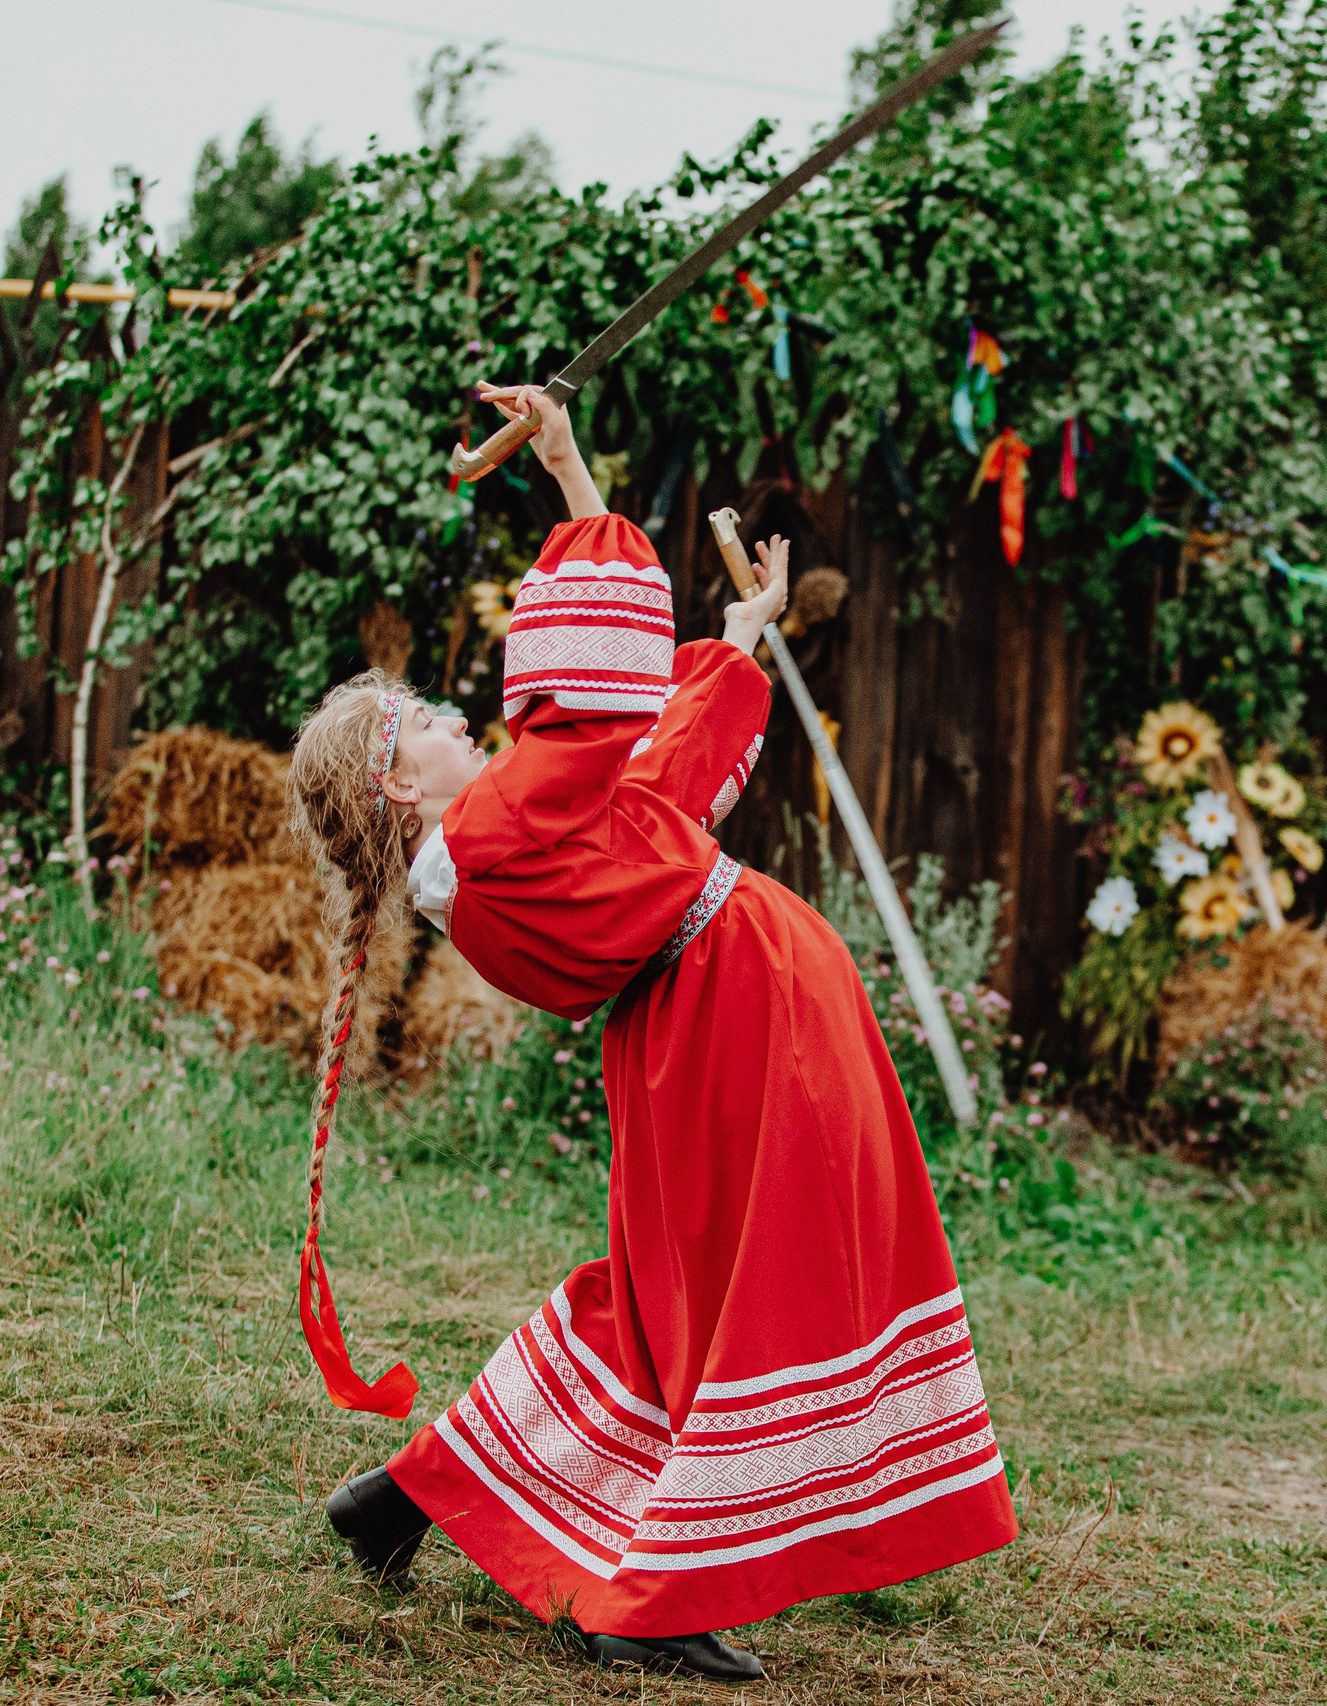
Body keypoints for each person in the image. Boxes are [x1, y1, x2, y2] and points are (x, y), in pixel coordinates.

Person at [284, 383, 1018, 1682]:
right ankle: (663, 1592)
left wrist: (732, 634)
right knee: (763, 1282)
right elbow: (594, 703)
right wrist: (574, 482)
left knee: (669, 1302)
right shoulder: (503, 828)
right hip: (735, 1011)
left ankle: (413, 1491)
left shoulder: (509, 838)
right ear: (402, 784)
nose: (467, 722)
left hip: (705, 1020)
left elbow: (647, 773)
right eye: (433, 727)